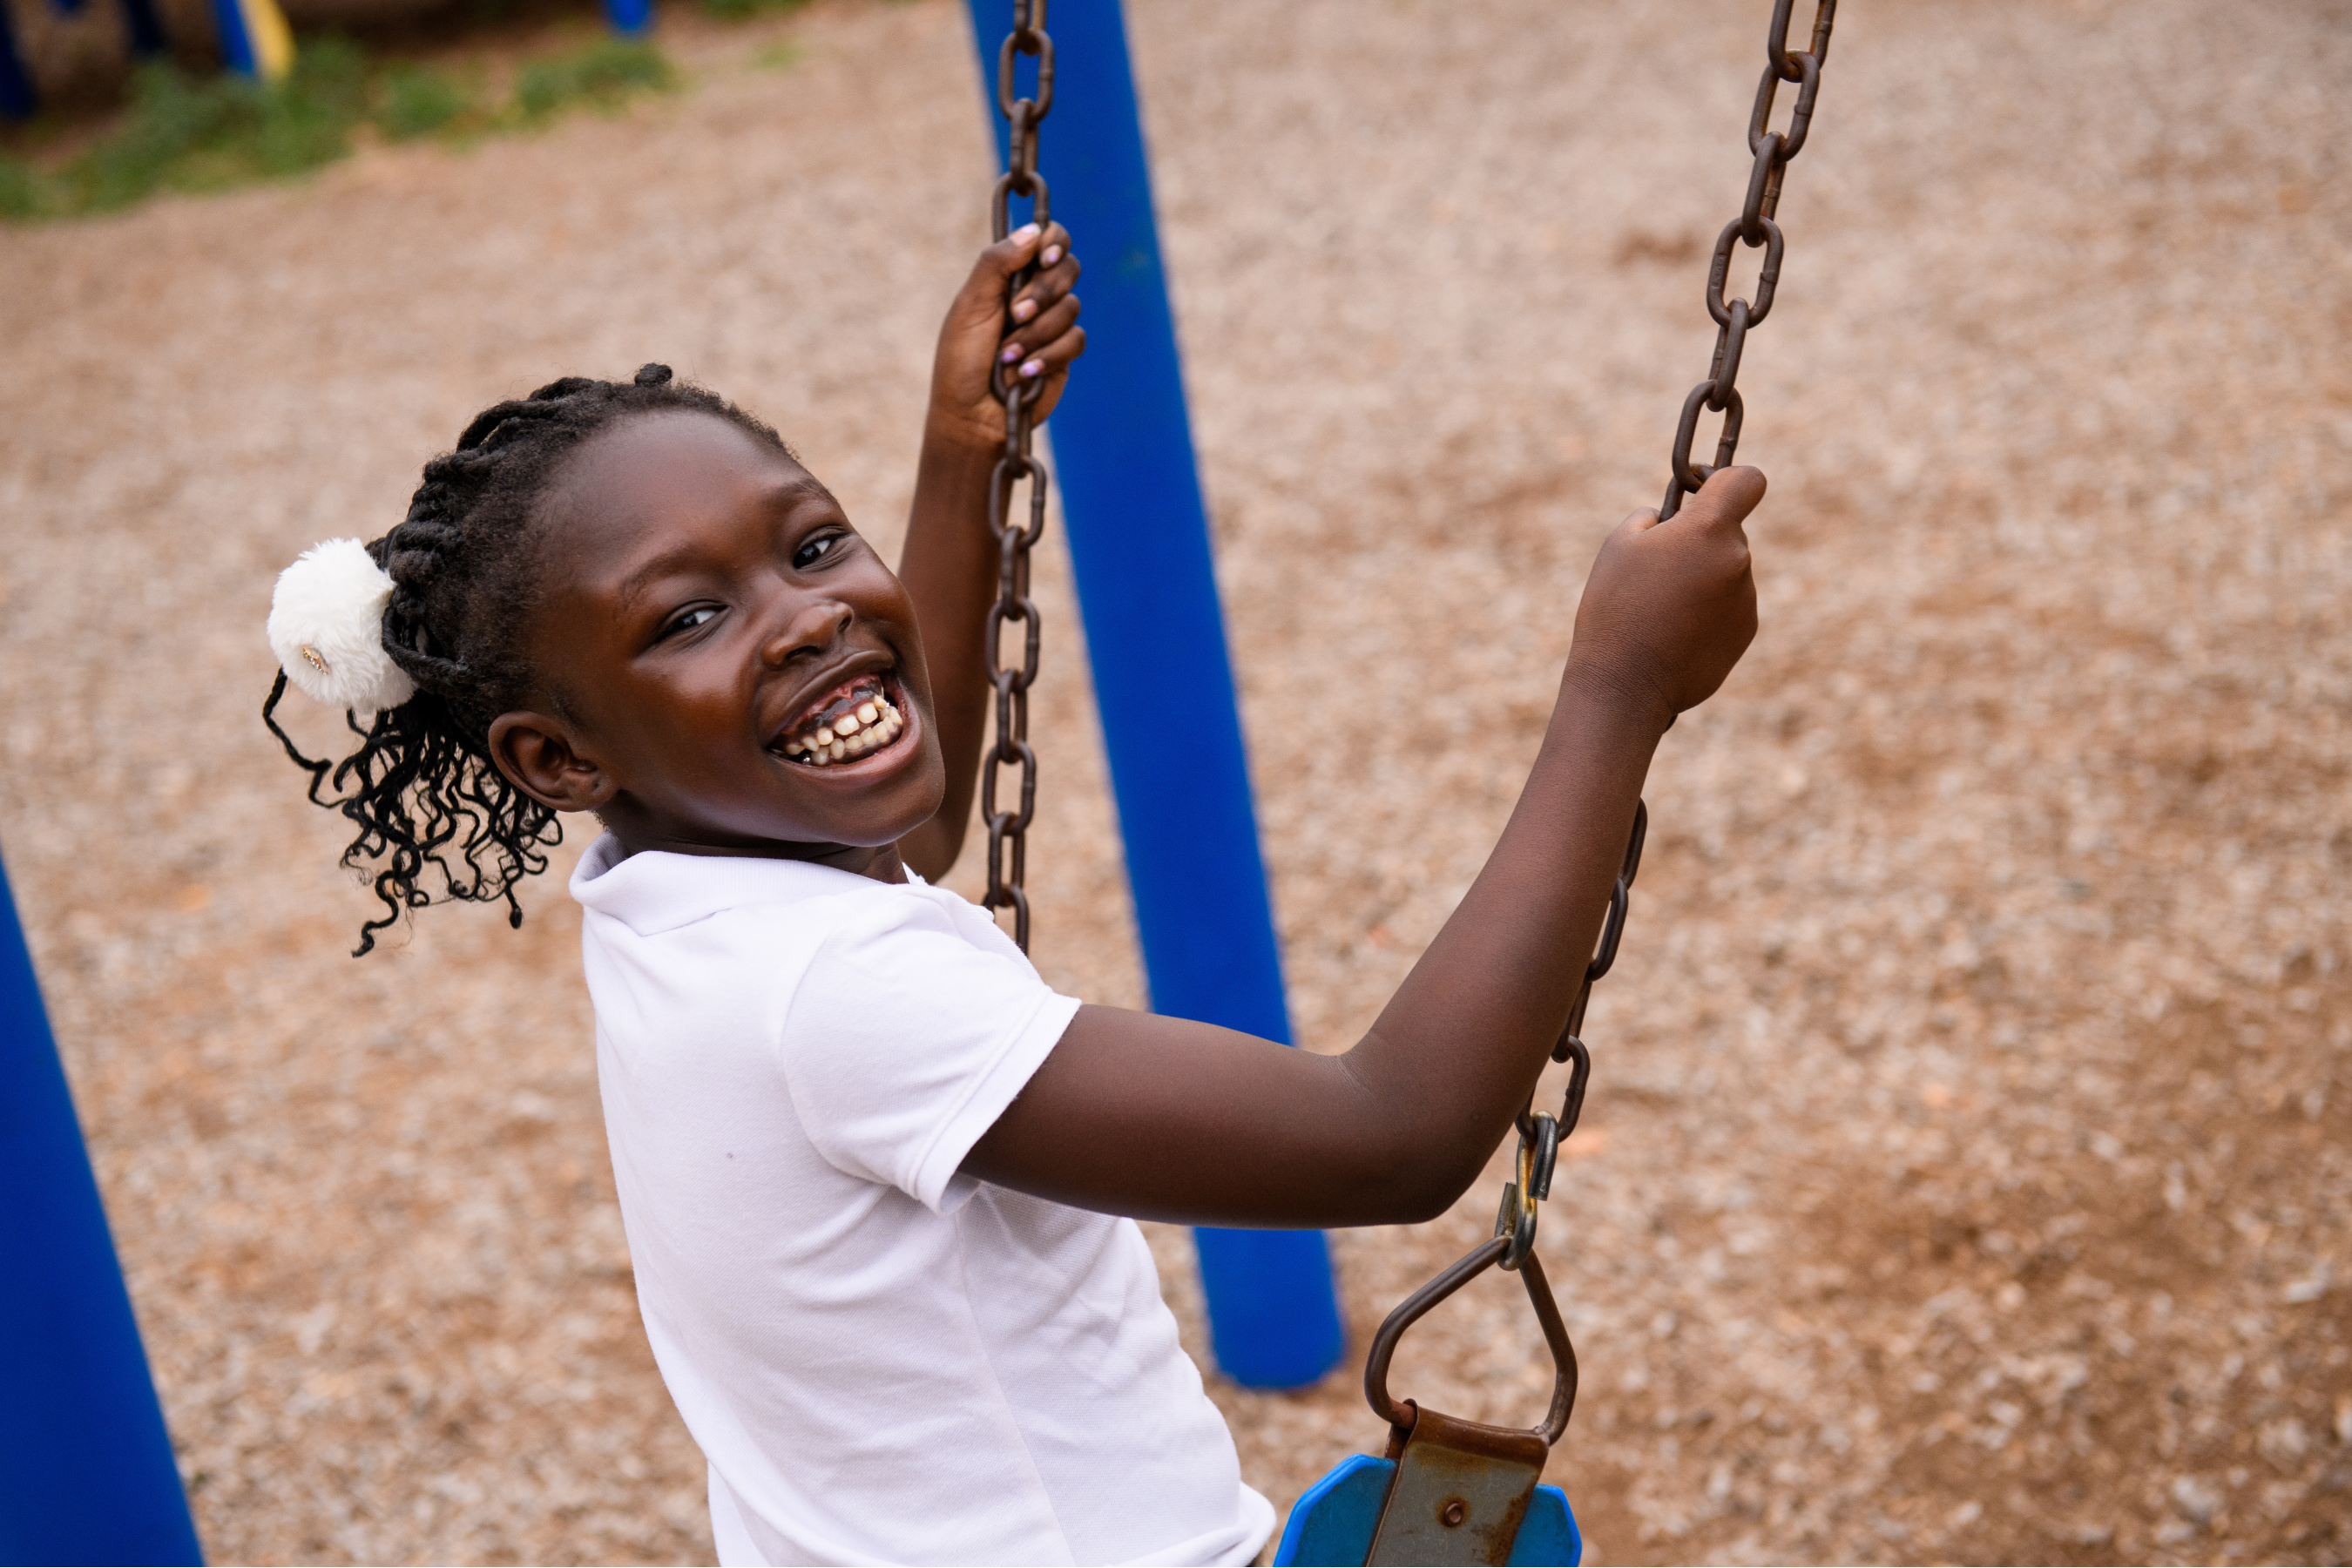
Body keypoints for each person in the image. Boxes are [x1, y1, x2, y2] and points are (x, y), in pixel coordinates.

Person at [262, 220, 1763, 1566]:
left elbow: (889, 844)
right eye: (693, 617)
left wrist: (960, 453)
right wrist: (1618, 690)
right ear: (558, 754)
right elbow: (1389, 1140)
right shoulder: (840, 997)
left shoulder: (675, 893)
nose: (807, 619)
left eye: (814, 542)